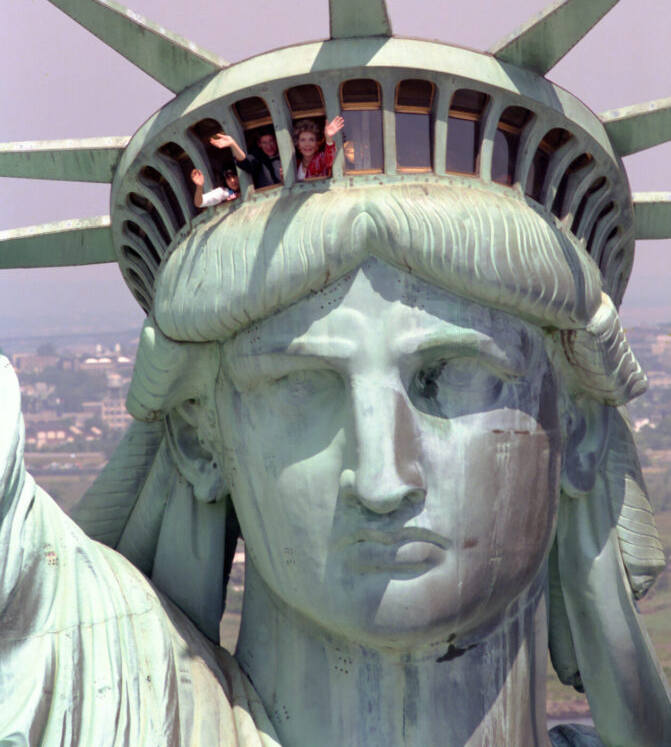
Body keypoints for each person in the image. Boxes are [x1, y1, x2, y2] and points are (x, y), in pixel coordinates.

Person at [1, 183, 670, 747]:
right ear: (199, 438)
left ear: (577, 428)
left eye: (453, 375)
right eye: (301, 386)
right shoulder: (99, 700)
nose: (383, 480)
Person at [208, 130, 282, 189]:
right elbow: (246, 162)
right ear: (259, 144)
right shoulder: (258, 157)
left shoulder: (285, 152)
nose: (269, 146)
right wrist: (233, 144)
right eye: (264, 143)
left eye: (271, 141)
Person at [292, 115, 344, 180]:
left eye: (311, 140)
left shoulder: (321, 159)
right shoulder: (294, 164)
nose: (307, 144)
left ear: (317, 143)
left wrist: (329, 138)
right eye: (303, 140)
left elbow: (330, 158)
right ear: (297, 143)